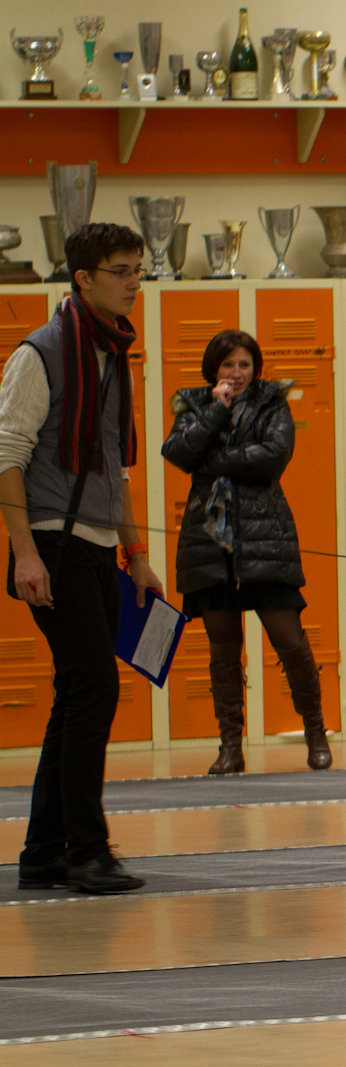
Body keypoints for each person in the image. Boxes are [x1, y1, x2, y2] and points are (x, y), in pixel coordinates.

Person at [0, 222, 162, 894]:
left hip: (96, 548)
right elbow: (6, 458)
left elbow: (114, 468)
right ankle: (86, 850)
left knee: (77, 692)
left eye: (138, 270)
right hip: (51, 543)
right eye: (121, 271)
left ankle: (43, 852)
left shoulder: (111, 354)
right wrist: (25, 554)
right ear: (83, 278)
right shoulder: (40, 353)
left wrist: (137, 553)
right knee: (95, 685)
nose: (134, 283)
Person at [161, 330, 330, 774]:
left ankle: (315, 732)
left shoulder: (272, 403)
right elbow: (178, 452)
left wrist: (213, 462)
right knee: (223, 649)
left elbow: (274, 455)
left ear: (255, 369)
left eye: (244, 365)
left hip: (265, 538)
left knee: (290, 640)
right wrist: (217, 411)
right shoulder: (194, 404)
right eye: (228, 365)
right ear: (213, 369)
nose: (236, 373)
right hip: (209, 543)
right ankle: (230, 746)